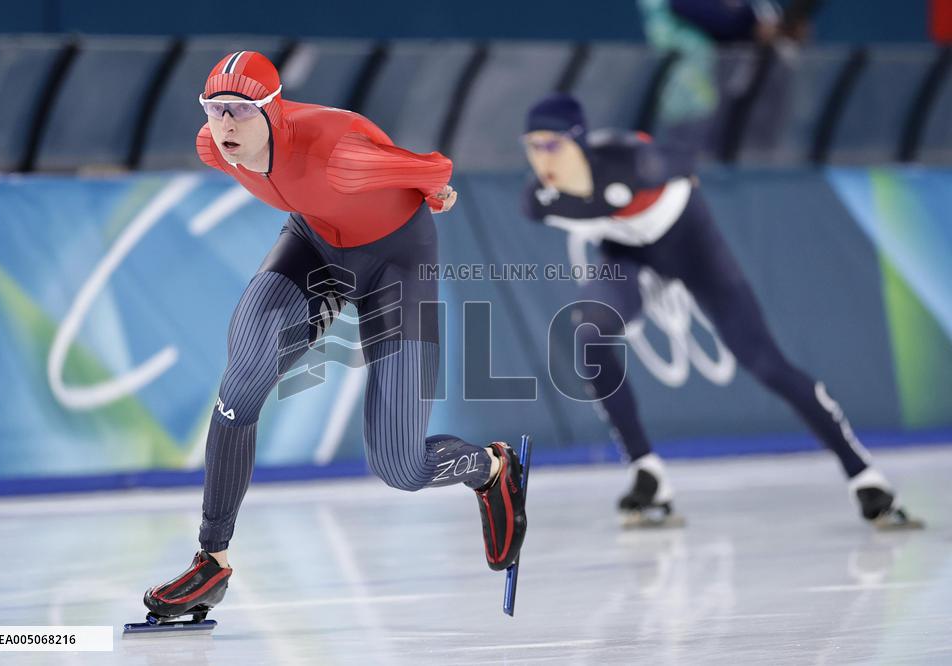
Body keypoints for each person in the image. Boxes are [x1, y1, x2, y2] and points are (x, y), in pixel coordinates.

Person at [141, 51, 528, 623]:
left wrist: (434, 191)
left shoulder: (338, 155)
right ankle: (211, 559)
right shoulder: (212, 146)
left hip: (397, 262)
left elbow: (436, 168)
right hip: (315, 246)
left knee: (399, 466)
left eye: (240, 111)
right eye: (214, 109)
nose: (224, 125)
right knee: (239, 386)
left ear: (272, 112)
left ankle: (492, 471)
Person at [520, 92, 922, 531]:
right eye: (533, 146)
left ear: (579, 142)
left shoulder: (632, 161)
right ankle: (645, 471)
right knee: (589, 334)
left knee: (768, 365)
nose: (542, 158)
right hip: (627, 254)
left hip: (692, 249)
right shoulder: (539, 199)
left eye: (552, 144)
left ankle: (864, 475)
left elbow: (686, 159)